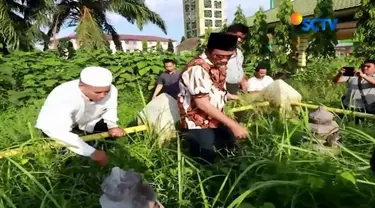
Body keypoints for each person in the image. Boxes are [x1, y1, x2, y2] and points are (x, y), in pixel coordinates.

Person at [177, 32, 249, 165]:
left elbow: (215, 89)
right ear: (209, 50)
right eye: (220, 56)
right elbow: (203, 104)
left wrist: (232, 96)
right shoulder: (197, 69)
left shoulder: (218, 65)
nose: (224, 60)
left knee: (229, 152)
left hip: (215, 118)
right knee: (206, 161)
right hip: (197, 124)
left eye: (228, 57)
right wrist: (234, 125)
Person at [35, 66, 125, 166]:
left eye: (106, 91)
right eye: (97, 92)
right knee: (67, 157)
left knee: (110, 137)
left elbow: (110, 109)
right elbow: (58, 131)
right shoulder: (64, 95)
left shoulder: (112, 90)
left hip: (87, 121)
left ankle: (91, 144)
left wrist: (112, 126)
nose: (103, 96)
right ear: (81, 86)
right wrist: (92, 153)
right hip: (57, 127)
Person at [333, 59, 375, 123]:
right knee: (342, 123)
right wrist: (340, 74)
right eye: (364, 66)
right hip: (347, 105)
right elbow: (336, 81)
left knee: (360, 126)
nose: (365, 68)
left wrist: (363, 76)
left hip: (363, 108)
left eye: (368, 66)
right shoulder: (353, 74)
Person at [225, 23, 249, 95]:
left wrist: (243, 80)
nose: (239, 40)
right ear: (229, 34)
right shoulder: (220, 52)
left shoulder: (239, 53)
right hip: (223, 86)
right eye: (238, 36)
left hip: (236, 87)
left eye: (242, 38)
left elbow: (239, 68)